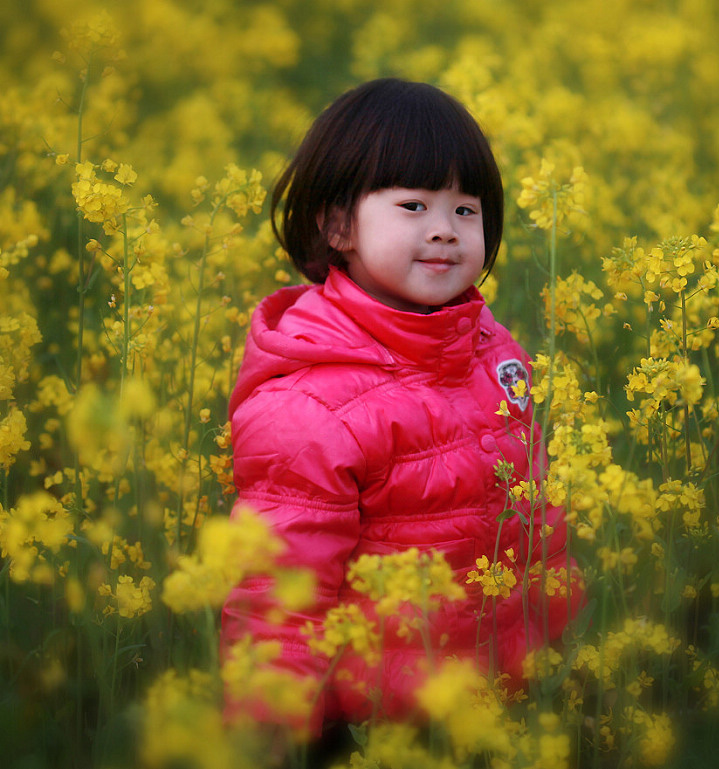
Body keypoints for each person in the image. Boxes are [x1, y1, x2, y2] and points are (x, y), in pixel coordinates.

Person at [220, 78, 579, 745]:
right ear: (335, 225)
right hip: (377, 725)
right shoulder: (309, 404)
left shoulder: (491, 350)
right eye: (414, 205)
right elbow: (278, 600)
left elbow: (535, 526)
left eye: (465, 210)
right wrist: (269, 735)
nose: (444, 229)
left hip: (507, 699)